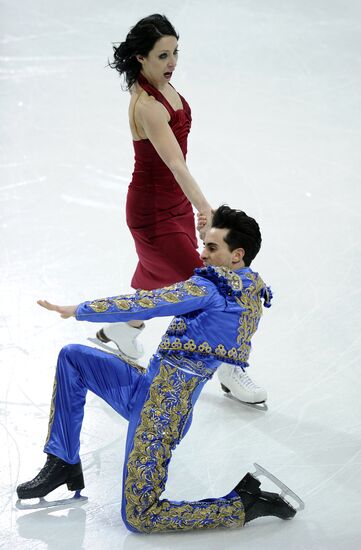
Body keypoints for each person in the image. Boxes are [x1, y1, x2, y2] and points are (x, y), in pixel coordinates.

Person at [17, 206, 302, 532]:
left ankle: (241, 504)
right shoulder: (245, 291)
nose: (202, 254)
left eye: (211, 248)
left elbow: (148, 303)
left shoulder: (212, 289)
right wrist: (207, 227)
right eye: (203, 245)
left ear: (237, 255)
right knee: (73, 358)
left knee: (140, 516)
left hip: (162, 413)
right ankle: (63, 462)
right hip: (145, 385)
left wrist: (79, 310)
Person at [96, 14, 267, 405]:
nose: (172, 62)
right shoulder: (146, 105)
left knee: (167, 279)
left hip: (171, 201)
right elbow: (175, 163)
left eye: (175, 52)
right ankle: (229, 368)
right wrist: (204, 207)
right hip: (153, 210)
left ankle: (125, 329)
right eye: (162, 55)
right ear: (141, 58)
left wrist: (188, 203)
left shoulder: (163, 87)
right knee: (206, 289)